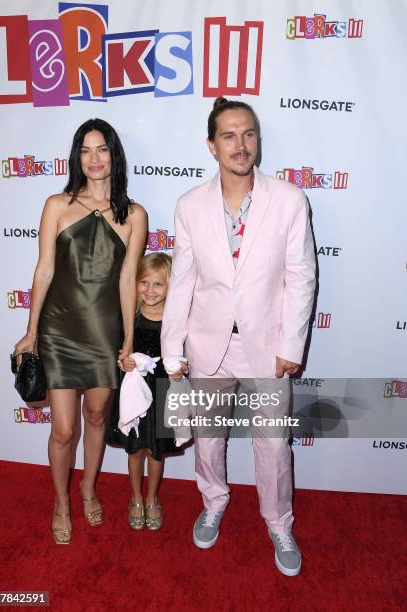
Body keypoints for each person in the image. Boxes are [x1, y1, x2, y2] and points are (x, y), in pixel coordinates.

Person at [161, 97, 316, 576]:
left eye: (248, 134)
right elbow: (182, 280)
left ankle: (278, 523)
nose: (240, 144)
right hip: (207, 347)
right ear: (212, 146)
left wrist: (291, 346)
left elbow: (301, 276)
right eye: (228, 135)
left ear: (258, 141)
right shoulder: (189, 206)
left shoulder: (289, 200)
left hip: (267, 350)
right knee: (209, 438)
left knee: (273, 443)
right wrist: (172, 348)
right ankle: (213, 501)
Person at [13, 118, 147, 544]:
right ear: (77, 157)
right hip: (58, 330)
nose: (94, 159)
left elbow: (128, 282)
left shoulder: (135, 215)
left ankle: (88, 488)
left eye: (102, 149)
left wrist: (128, 338)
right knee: (64, 430)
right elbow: (45, 270)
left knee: (95, 417)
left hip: (104, 333)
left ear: (115, 155)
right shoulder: (57, 204)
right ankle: (60, 501)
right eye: (86, 150)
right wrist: (31, 330)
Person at [107, 253, 180, 530]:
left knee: (156, 450)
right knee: (135, 450)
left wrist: (180, 369)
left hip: (163, 393)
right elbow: (118, 351)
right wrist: (122, 361)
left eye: (158, 284)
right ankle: (135, 498)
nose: (150, 290)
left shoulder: (176, 320)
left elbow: (186, 355)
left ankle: (152, 499)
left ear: (171, 286)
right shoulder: (131, 316)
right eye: (144, 282)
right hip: (132, 394)